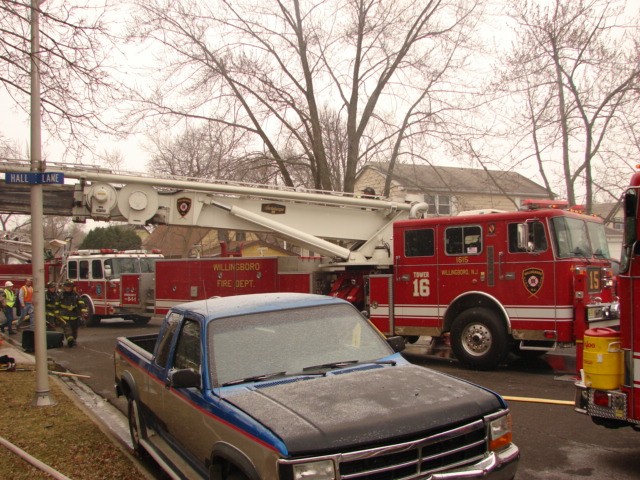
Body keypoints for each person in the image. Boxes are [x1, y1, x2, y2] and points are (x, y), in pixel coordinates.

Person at [57, 280, 88, 347]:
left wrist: (83, 310)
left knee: (74, 331)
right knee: (67, 330)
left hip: (74, 316)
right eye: (67, 287)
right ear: (64, 287)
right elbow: (56, 304)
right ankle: (70, 341)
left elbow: (81, 302)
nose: (68, 288)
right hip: (64, 317)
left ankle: (73, 340)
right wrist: (57, 313)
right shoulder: (61, 295)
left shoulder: (76, 295)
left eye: (70, 287)